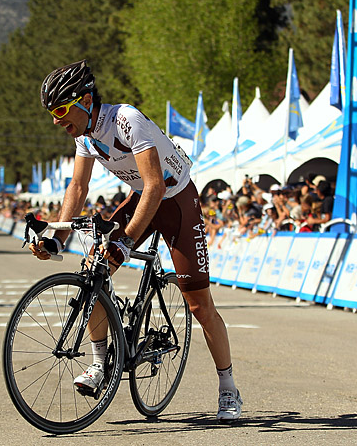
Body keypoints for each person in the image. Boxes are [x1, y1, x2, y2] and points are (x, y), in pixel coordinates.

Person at [29, 60, 242, 421]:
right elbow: (78, 187)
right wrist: (58, 236)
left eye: (61, 110)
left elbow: (156, 184)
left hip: (175, 200)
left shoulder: (126, 120)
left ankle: (228, 388)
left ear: (83, 101)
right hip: (142, 197)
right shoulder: (84, 136)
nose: (56, 121)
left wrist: (125, 241)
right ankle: (100, 365)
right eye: (51, 113)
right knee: (92, 273)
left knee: (199, 305)